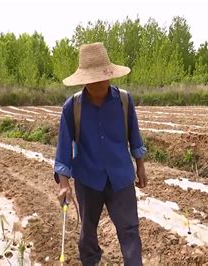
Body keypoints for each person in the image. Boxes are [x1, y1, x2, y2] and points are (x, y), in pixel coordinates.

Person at [54, 42, 147, 266]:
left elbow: (134, 134)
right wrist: (64, 183)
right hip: (88, 180)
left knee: (130, 231)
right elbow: (64, 147)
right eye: (93, 78)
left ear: (109, 75)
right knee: (87, 236)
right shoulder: (72, 107)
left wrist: (140, 165)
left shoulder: (124, 101)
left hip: (121, 178)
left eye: (102, 77)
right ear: (85, 79)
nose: (98, 82)